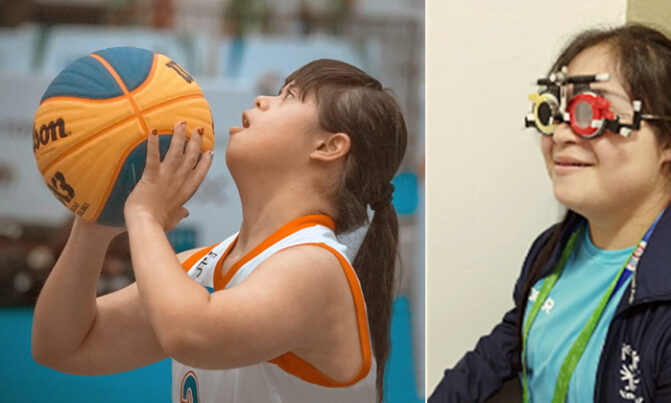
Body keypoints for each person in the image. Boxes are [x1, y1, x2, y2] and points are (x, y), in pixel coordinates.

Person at [32, 59, 408, 403]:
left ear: (329, 146)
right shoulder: (201, 268)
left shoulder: (316, 267)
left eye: (288, 96)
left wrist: (144, 216)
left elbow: (191, 333)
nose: (262, 100)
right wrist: (93, 227)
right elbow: (61, 346)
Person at [430, 25, 671, 402]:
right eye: (553, 112)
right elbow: (496, 357)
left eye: (589, 112)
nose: (560, 135)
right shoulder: (554, 250)